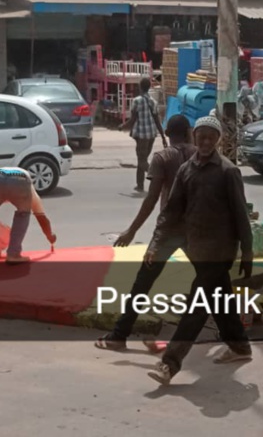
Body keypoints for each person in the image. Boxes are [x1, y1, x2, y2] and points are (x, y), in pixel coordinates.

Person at [146, 116, 253, 386]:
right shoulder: (185, 170)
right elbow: (171, 212)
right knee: (220, 299)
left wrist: (248, 251)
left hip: (220, 251)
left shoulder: (228, 171)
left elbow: (241, 214)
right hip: (197, 249)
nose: (205, 142)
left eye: (210, 137)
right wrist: (156, 243)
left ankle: (169, 364)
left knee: (196, 306)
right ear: (195, 136)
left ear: (218, 139)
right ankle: (240, 346)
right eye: (201, 136)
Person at [95, 115, 197, 350]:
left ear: (168, 134)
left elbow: (151, 199)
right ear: (189, 132)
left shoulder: (162, 157)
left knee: (143, 284)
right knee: (210, 278)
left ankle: (119, 335)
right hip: (194, 229)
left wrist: (131, 231)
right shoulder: (198, 154)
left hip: (168, 230)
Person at [121, 78, 167, 193]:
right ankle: (140, 185)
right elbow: (157, 121)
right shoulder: (153, 101)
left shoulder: (137, 101)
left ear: (140, 87)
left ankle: (158, 178)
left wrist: (121, 126)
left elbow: (132, 120)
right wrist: (163, 137)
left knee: (142, 161)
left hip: (141, 136)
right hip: (151, 135)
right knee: (142, 159)